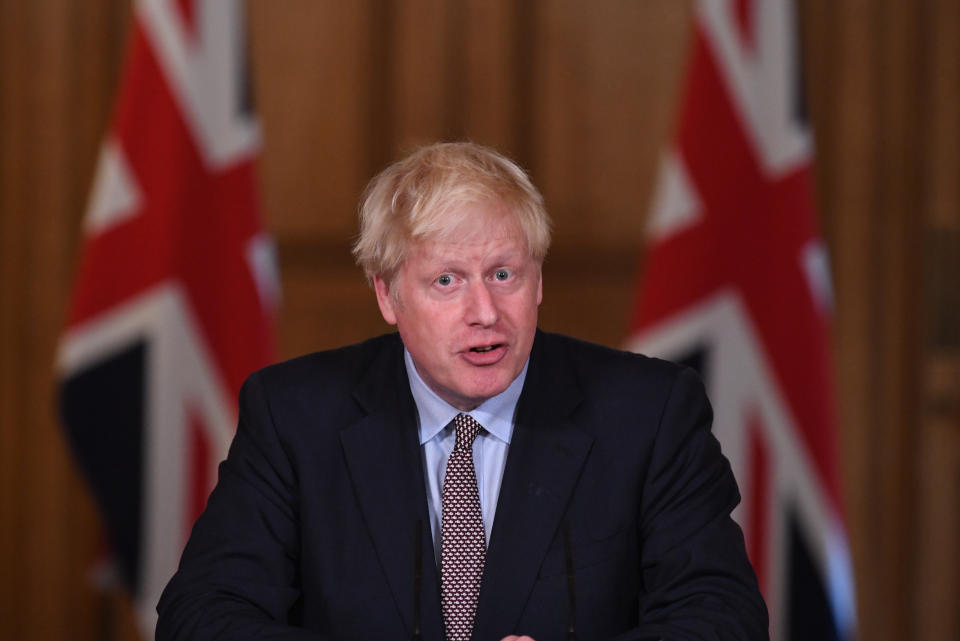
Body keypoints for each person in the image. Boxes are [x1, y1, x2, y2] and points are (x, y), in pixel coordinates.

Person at [156, 142, 768, 641]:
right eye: (446, 281)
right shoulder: (295, 415)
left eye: (504, 274)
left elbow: (724, 616)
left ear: (538, 282)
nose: (485, 312)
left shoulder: (650, 412)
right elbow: (203, 617)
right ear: (387, 295)